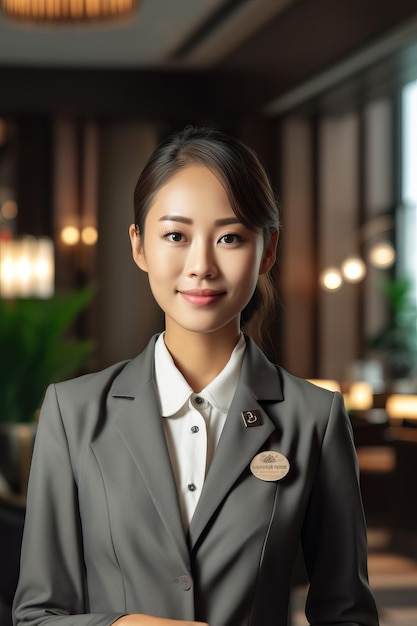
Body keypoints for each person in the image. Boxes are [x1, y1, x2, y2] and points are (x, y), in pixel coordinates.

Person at [13, 126, 379, 626]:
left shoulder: (314, 419)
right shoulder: (72, 412)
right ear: (139, 246)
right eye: (176, 236)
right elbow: (37, 616)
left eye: (230, 237)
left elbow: (348, 616)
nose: (201, 265)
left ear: (267, 251)